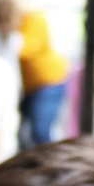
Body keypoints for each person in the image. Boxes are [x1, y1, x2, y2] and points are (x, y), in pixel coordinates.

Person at [18, 8, 69, 147]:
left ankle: (52, 167)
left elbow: (27, 51)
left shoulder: (35, 18)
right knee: (22, 135)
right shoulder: (15, 22)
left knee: (40, 132)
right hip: (29, 86)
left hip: (49, 82)